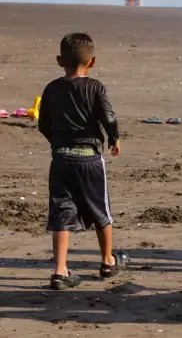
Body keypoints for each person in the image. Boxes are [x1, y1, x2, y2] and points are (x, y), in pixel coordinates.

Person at [37, 33, 128, 290]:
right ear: (92, 61)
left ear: (59, 60)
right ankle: (108, 261)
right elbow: (108, 117)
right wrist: (114, 138)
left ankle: (59, 270)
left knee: (61, 210)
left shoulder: (52, 89)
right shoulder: (95, 87)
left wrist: (56, 142)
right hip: (89, 158)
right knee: (101, 210)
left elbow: (43, 124)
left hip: (62, 158)